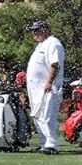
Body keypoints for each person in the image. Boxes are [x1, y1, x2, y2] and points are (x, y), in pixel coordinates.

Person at [25, 19, 65, 155]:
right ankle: (43, 143)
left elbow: (55, 64)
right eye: (32, 31)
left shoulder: (53, 43)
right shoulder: (41, 45)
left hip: (48, 87)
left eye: (36, 31)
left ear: (44, 30)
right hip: (36, 89)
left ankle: (52, 144)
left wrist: (49, 82)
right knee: (38, 116)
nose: (34, 34)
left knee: (48, 115)